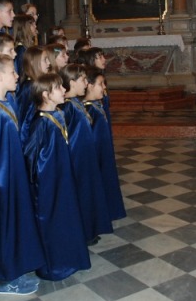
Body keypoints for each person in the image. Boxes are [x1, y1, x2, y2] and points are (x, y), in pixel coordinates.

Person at [0, 54, 44, 295]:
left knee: (15, 225)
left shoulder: (7, 103)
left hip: (12, 178)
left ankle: (16, 270)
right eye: (13, 72)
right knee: (3, 228)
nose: (17, 75)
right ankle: (6, 280)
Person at [23, 73, 91, 281]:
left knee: (65, 218)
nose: (64, 90)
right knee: (51, 222)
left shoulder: (57, 115)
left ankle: (68, 259)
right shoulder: (40, 123)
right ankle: (52, 266)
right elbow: (30, 156)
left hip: (62, 180)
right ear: (46, 95)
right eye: (59, 88)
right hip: (48, 185)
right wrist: (38, 185)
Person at [59, 64, 113, 245]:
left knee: (88, 194)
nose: (86, 83)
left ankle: (90, 228)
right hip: (77, 160)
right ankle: (83, 232)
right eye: (83, 80)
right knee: (81, 195)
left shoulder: (76, 104)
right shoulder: (67, 107)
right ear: (72, 82)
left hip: (85, 158)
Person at [83, 67, 127, 221]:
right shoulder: (89, 110)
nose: (104, 87)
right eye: (100, 84)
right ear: (89, 86)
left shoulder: (96, 105)